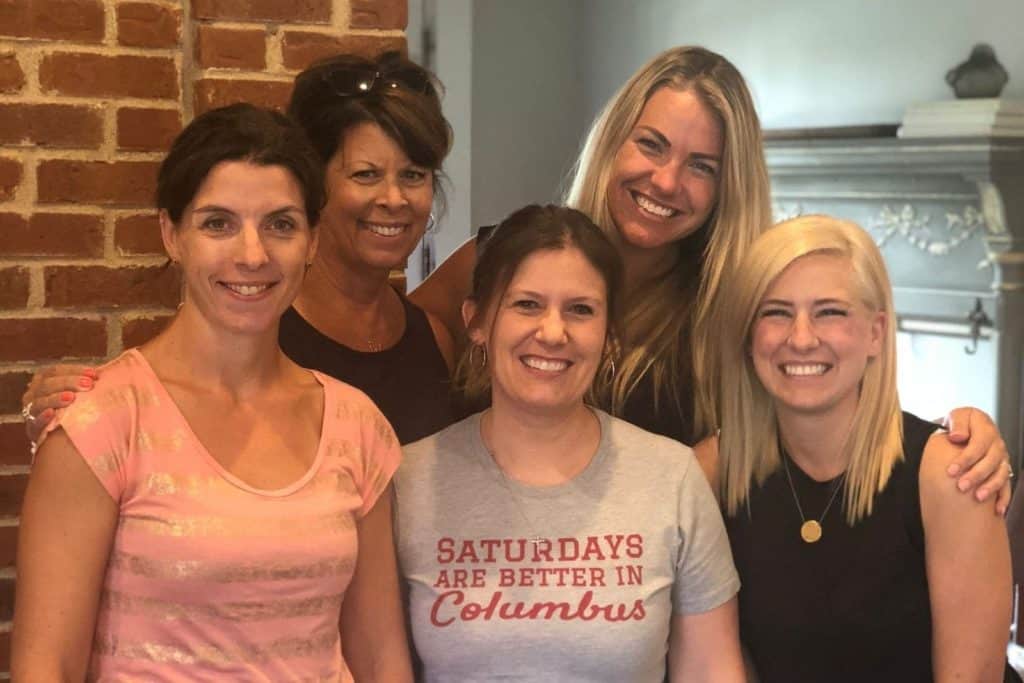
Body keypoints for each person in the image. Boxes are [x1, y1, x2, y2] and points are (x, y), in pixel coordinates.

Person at [407, 45, 1014, 509]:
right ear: (612, 142)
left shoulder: (735, 311)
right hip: (478, 579)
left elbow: (835, 405)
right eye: (651, 145)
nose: (667, 182)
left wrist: (960, 435)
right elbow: (392, 350)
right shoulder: (496, 264)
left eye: (701, 166)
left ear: (728, 186)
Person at [12, 104, 412, 680]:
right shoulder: (101, 423)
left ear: (313, 241)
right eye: (218, 223)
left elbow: (380, 658)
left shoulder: (356, 424)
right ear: (172, 235)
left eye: (280, 224)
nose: (252, 254)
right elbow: (46, 665)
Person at [22, 51, 456, 446]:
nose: (394, 199)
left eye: (414, 175)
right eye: (365, 174)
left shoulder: (433, 340)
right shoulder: (250, 315)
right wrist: (75, 406)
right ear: (313, 187)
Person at [394, 205, 744, 682]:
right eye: (527, 304)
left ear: (609, 333)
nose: (553, 332)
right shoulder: (408, 480)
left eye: (580, 310)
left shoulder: (673, 477)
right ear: (476, 322)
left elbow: (712, 670)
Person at [701, 215, 1013, 682]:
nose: (801, 338)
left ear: (875, 332)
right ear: (749, 339)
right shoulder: (708, 473)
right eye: (776, 312)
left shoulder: (950, 475)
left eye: (830, 311)